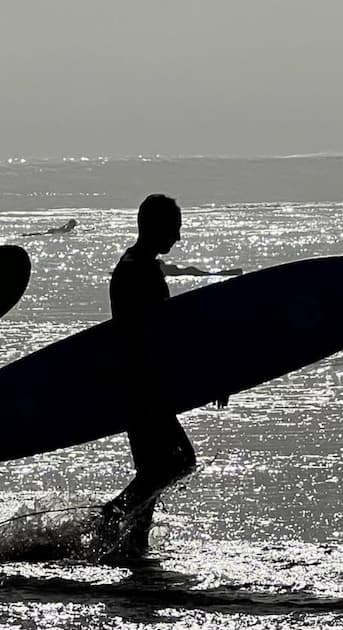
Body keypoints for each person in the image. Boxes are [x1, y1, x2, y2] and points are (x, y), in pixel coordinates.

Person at [99, 194, 225, 558]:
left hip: (135, 384)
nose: (178, 237)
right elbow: (161, 336)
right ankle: (114, 515)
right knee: (180, 460)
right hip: (144, 387)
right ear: (156, 227)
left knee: (153, 468)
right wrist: (210, 376)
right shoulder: (141, 271)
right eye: (174, 228)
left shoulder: (131, 264)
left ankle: (134, 547)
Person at [159, 261, 242, 277]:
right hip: (188, 271)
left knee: (209, 274)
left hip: (188, 271)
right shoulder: (161, 267)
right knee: (210, 274)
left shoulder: (161, 266)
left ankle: (234, 272)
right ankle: (234, 272)